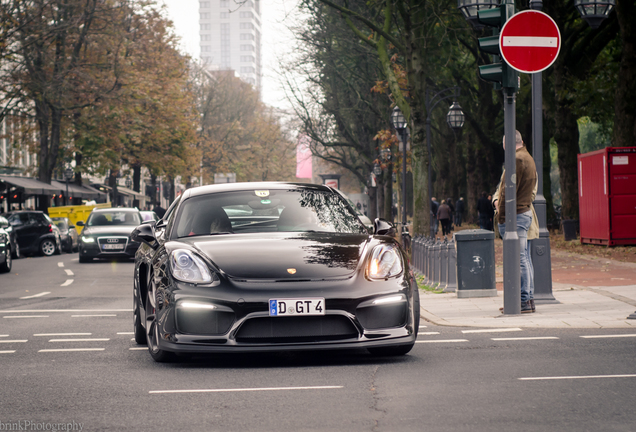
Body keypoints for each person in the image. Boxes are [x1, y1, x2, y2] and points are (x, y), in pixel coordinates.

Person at [493, 130, 537, 314]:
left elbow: (507, 191)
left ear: (506, 144)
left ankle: (523, 300)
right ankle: (527, 299)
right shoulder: (527, 157)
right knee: (524, 258)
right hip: (523, 212)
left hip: (515, 215)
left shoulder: (516, 160)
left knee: (518, 258)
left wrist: (500, 213)